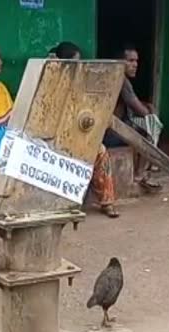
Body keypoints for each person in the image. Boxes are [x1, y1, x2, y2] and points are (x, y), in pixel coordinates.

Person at [50, 41, 120, 218]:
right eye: (75, 62)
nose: (79, 66)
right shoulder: (52, 84)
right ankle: (66, 203)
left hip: (80, 134)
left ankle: (107, 202)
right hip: (57, 137)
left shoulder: (81, 83)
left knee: (101, 151)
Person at [104, 45, 162, 192]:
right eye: (130, 60)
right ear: (119, 62)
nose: (135, 64)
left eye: (136, 61)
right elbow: (139, 109)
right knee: (151, 127)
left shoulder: (114, 76)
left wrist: (148, 106)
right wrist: (151, 111)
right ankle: (140, 174)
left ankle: (149, 165)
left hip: (108, 131)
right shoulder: (122, 80)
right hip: (110, 135)